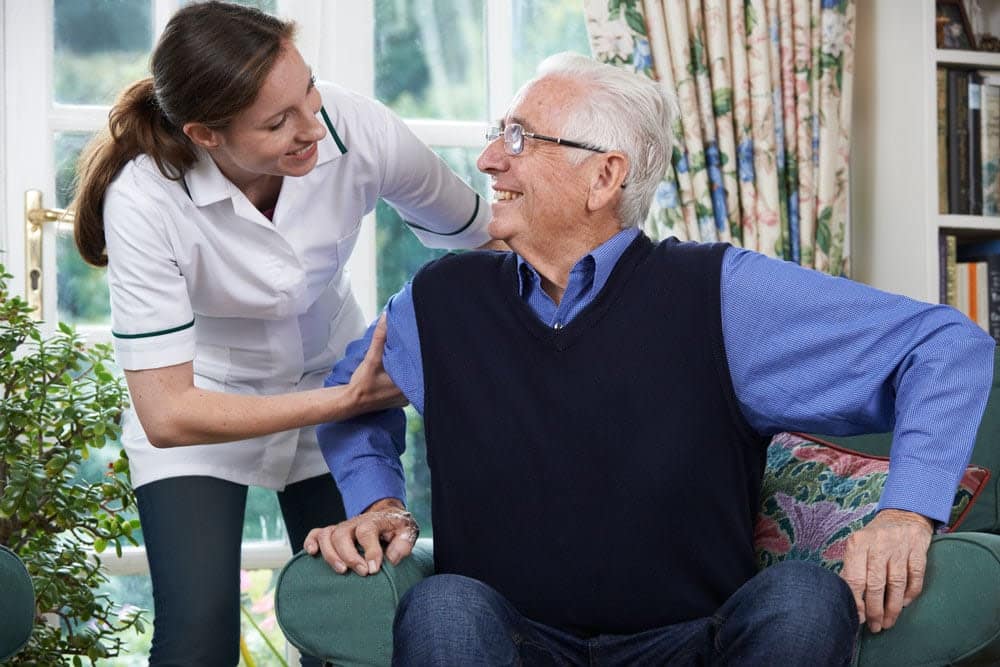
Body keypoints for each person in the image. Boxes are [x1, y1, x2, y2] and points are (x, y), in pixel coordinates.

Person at [305, 52, 995, 665]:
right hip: (512, 638)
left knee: (807, 598)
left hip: (696, 640)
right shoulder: (441, 298)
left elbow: (946, 345)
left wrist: (907, 510)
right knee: (444, 605)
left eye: (518, 139)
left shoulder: (724, 293)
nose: (488, 160)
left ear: (604, 177)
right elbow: (349, 392)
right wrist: (378, 500)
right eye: (494, 135)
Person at [70, 2, 492, 665]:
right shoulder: (145, 197)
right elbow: (168, 412)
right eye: (277, 122)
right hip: (205, 401)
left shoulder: (353, 127)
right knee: (196, 638)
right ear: (206, 134)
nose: (312, 127)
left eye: (310, 91)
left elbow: (484, 237)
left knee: (353, 624)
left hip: (330, 373)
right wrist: (345, 399)